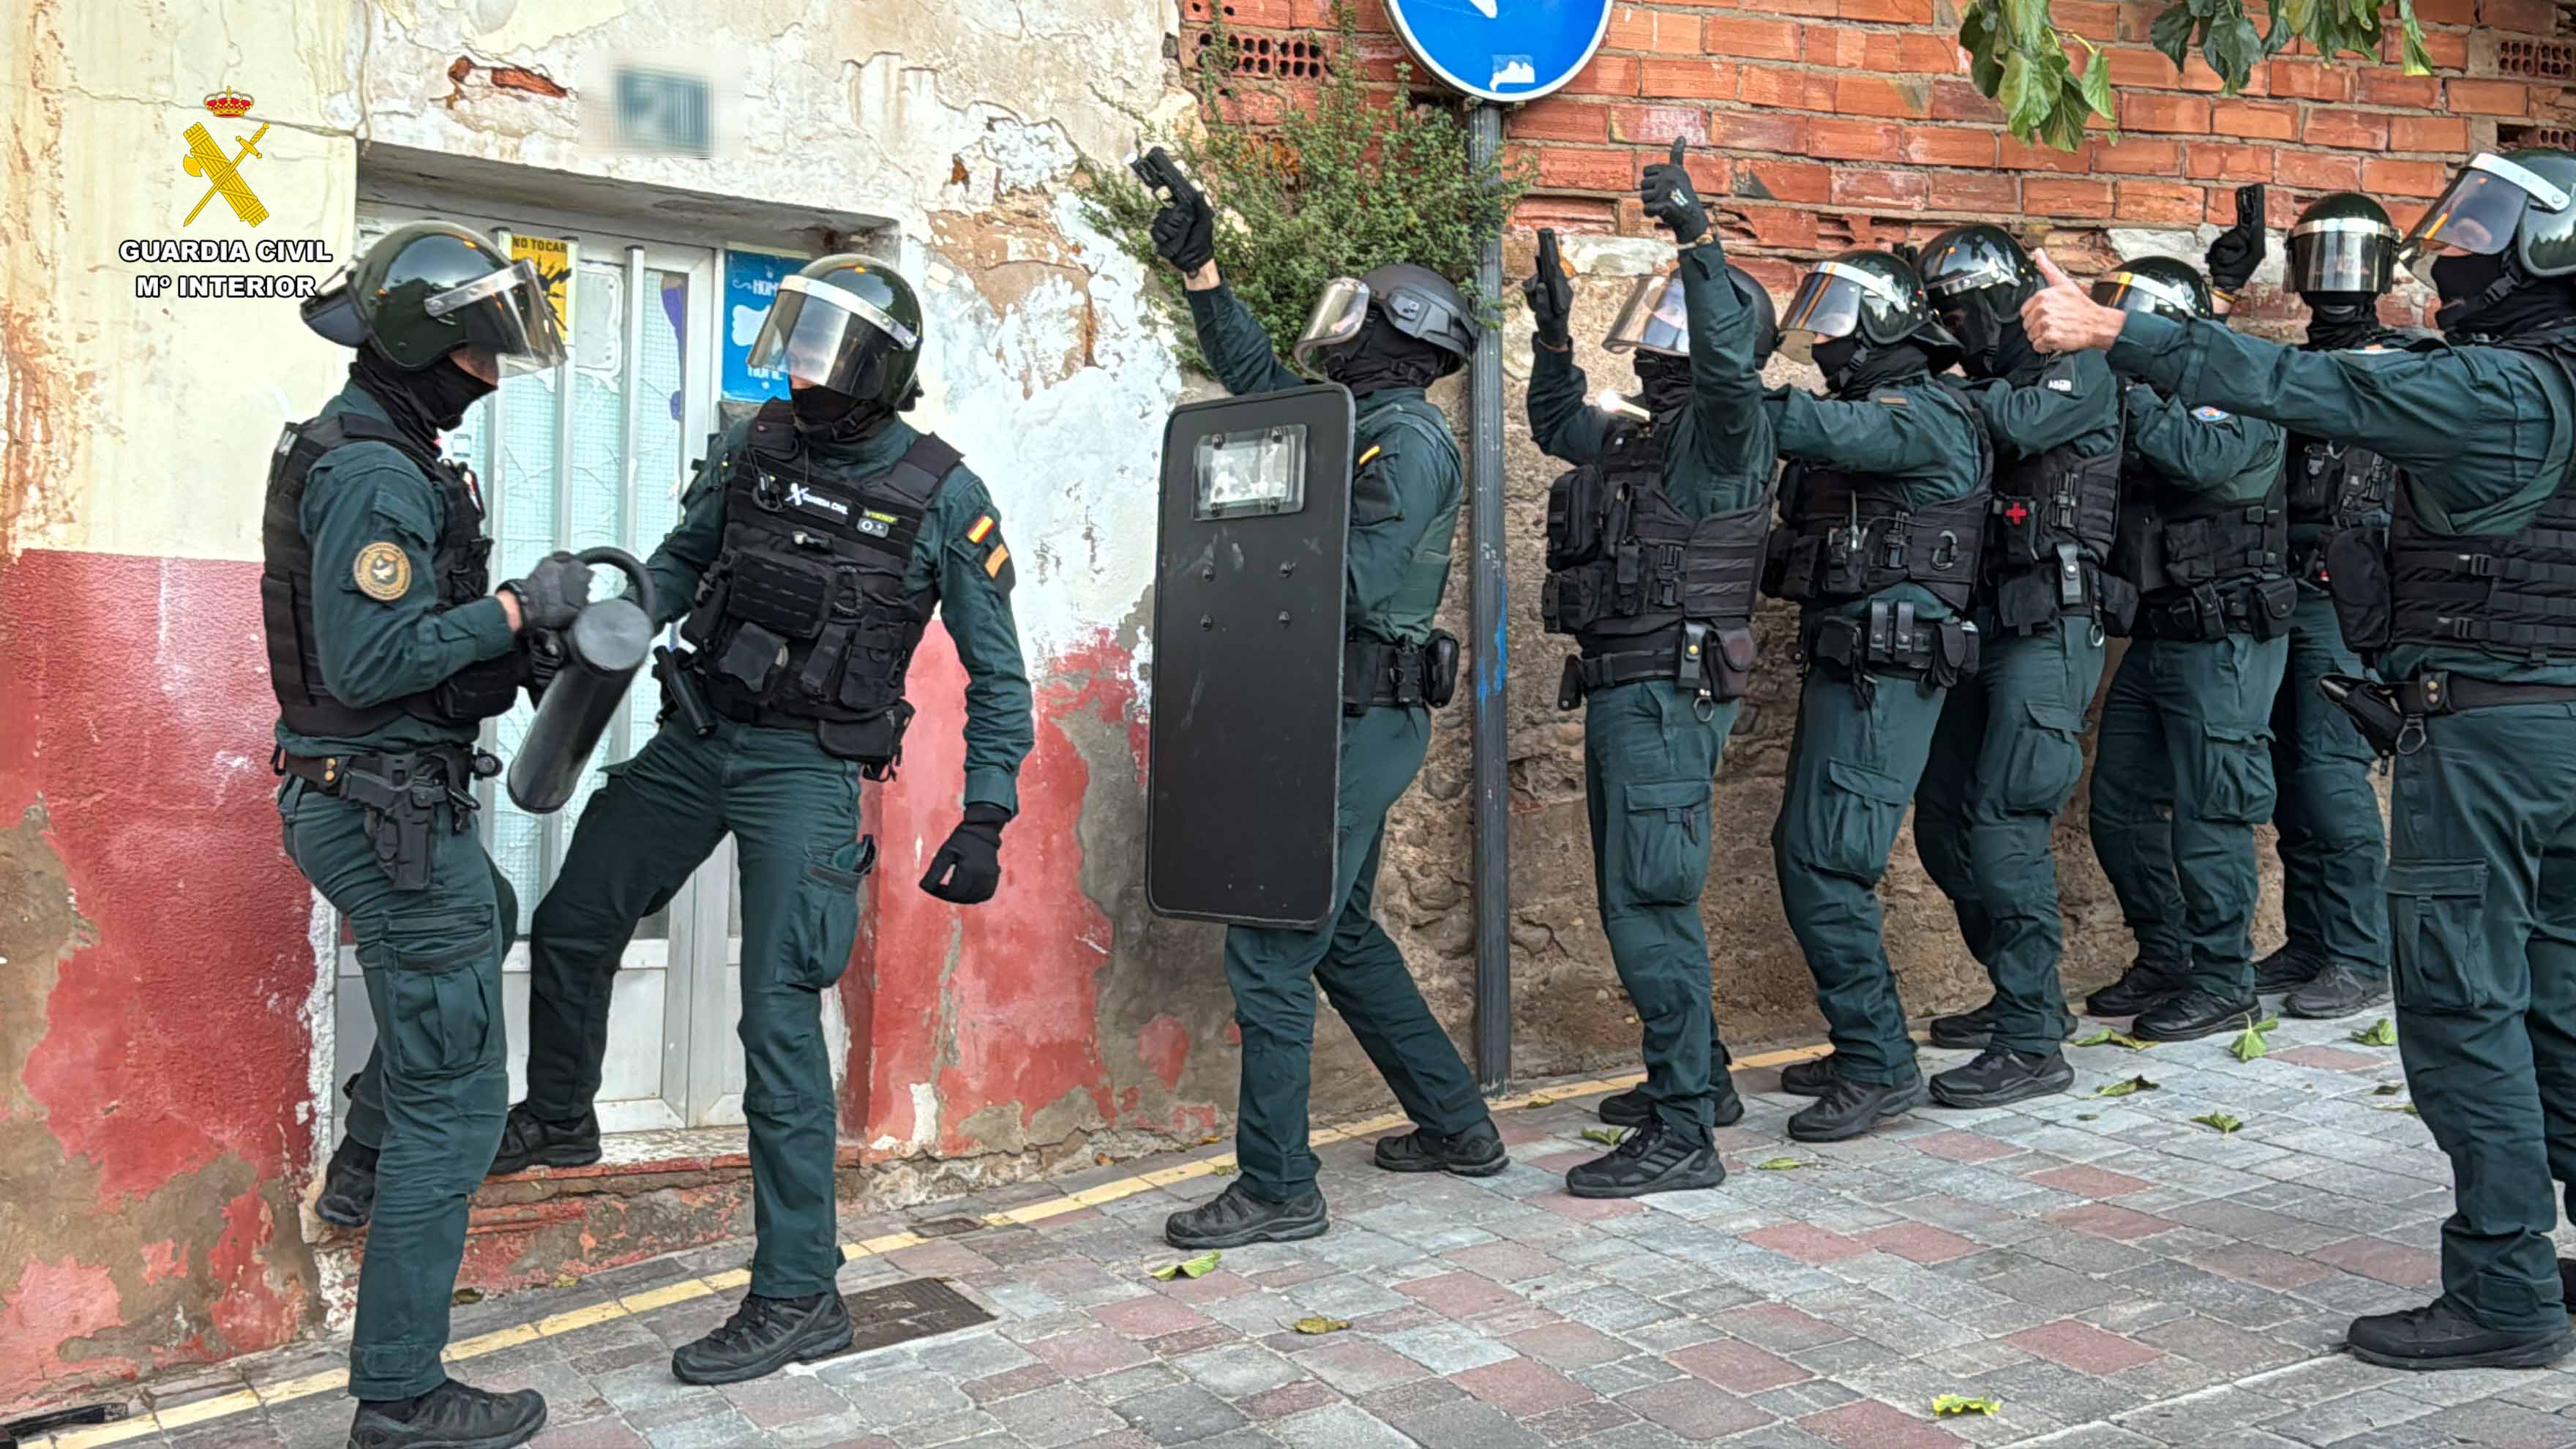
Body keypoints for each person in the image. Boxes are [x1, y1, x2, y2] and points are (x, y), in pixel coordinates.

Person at [2023, 146, 2576, 1373]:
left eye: (2487, 225)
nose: (2459, 245)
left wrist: (2120, 328)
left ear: (2549, 251)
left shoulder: (2503, 388)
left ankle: (2504, 1291)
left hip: (2492, 738)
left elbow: (2304, 390)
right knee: (2559, 1001)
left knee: (2463, 1006)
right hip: (2558, 731)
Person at [488, 255, 1036, 1386]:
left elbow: (998, 674)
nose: (801, 371)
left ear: (882, 369)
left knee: (777, 1022)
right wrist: (616, 618)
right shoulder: (751, 445)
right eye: (794, 342)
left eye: (825, 351)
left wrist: (988, 814)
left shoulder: (945, 495)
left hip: (805, 772)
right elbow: (685, 564)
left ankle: (800, 1293)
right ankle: (559, 1115)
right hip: (698, 738)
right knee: (580, 916)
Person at [1142, 155, 1503, 1248]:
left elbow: (1355, 583)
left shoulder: (1410, 442)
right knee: (1339, 937)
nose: (1332, 328)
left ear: (1396, 335)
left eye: (1355, 315)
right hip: (1334, 719)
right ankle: (1457, 1126)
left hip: (1357, 718)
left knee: (1270, 941)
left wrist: (1238, 565)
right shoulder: (1356, 420)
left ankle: (1280, 1187)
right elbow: (1262, 386)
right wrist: (1204, 273)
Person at [270, 220, 584, 1448]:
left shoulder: (393, 448)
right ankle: (400, 1398)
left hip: (375, 793)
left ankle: (363, 1154)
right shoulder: (374, 474)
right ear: (424, 344)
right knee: (461, 1100)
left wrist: (514, 640)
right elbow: (368, 655)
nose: (492, 374)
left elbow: (421, 655)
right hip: (381, 806)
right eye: (480, 350)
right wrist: (512, 607)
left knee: (487, 919)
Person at [1524, 140, 1777, 1194]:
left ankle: (1685, 1131)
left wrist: (1698, 239)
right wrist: (1551, 335)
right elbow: (1554, 423)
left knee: (1648, 904)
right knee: (1638, 891)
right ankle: (1702, 1077)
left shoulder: (1729, 431)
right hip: (1631, 687)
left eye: (1680, 323)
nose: (1662, 343)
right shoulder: (1643, 436)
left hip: (1669, 691)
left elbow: (1724, 368)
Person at [1760, 249, 1991, 1140]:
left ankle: (1878, 1061)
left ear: (1891, 321)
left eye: (1840, 316)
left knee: (1827, 860)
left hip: (1884, 672)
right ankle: (1863, 1039)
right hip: (1850, 665)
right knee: (1807, 849)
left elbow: (1826, 435)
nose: (1824, 337)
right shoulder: (1870, 410)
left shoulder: (1922, 414)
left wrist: (1723, 370)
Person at [1905, 223, 2122, 1107]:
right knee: (1943, 820)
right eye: (1941, 314)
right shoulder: (1974, 386)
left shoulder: (2073, 374)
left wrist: (1924, 401)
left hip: (2050, 628)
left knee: (2005, 822)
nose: (1956, 327)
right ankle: (2018, 996)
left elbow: (2021, 424)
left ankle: (2033, 1041)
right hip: (1979, 624)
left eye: (1963, 309)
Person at [2075, 255, 2291, 1040]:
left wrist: (2124, 382)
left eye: (2132, 323)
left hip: (2225, 638)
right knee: (2120, 809)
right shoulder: (2149, 400)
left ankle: (2225, 978)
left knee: (2213, 814)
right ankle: (2166, 954)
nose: (2116, 334)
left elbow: (2204, 460)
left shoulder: (2234, 389)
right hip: (2161, 634)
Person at [2223, 188, 2405, 1019]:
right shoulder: (2295, 367)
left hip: (2350, 597)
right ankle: (2312, 937)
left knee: (2332, 771)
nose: (2334, 279)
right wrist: (2221, 294)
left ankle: (2362, 952)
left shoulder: (2412, 365)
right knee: (2292, 770)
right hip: (2280, 587)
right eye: (2319, 258)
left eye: (2350, 258)